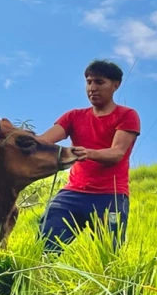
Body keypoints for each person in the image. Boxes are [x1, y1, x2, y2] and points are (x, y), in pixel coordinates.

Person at [35, 60, 141, 253]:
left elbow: (117, 152)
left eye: (99, 82)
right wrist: (18, 137)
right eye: (89, 82)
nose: (92, 88)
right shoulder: (73, 116)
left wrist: (88, 153)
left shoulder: (127, 115)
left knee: (108, 256)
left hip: (110, 195)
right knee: (45, 247)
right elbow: (43, 141)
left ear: (116, 85)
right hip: (73, 193)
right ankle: (37, 279)